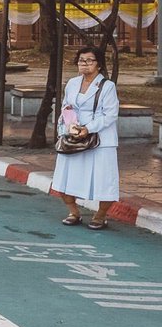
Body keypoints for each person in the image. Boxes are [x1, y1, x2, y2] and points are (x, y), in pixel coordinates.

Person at [53, 46, 120, 230]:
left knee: (104, 180)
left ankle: (100, 216)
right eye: (82, 60)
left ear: (98, 64)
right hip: (73, 137)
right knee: (64, 178)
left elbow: (110, 115)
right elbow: (65, 107)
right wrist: (66, 127)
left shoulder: (107, 86)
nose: (85, 64)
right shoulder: (72, 83)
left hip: (100, 140)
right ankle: (73, 212)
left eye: (90, 60)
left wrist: (88, 128)